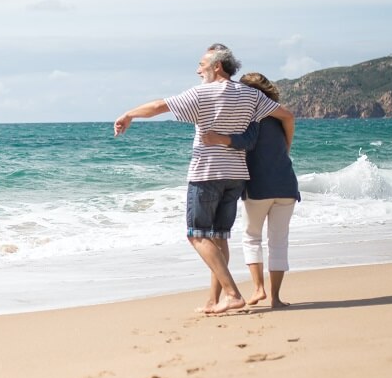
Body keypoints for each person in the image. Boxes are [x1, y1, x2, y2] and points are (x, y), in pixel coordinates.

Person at [113, 43, 294, 314]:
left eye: (202, 65)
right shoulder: (250, 96)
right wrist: (286, 149)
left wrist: (129, 114)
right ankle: (214, 300)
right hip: (236, 177)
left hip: (207, 174)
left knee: (196, 235)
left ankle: (232, 294)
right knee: (219, 238)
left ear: (217, 66)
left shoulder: (203, 93)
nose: (198, 70)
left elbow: (160, 106)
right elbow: (286, 115)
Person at [201, 72, 300, 308]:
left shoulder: (249, 116)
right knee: (279, 241)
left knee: (251, 238)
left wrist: (218, 138)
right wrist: (287, 146)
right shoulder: (277, 116)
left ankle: (258, 289)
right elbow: (288, 125)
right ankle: (276, 298)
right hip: (287, 185)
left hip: (259, 186)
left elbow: (246, 141)